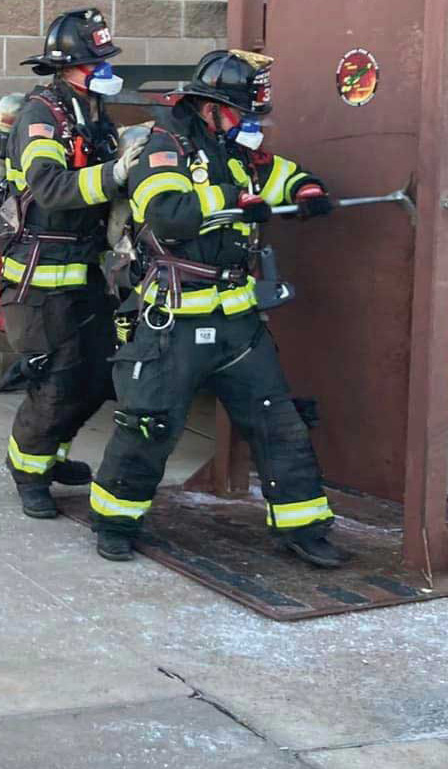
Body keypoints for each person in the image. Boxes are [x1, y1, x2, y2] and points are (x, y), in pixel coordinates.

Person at [90, 48, 346, 569]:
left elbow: (279, 176)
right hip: (172, 323)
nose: (250, 126)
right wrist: (230, 197)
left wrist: (308, 187)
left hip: (238, 324)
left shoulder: (236, 151)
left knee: (280, 423)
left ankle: (304, 527)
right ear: (210, 107)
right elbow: (168, 215)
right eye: (242, 115)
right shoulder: (163, 149)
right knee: (149, 426)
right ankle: (115, 521)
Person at [0, 7, 141, 519]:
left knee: (100, 374)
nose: (106, 69)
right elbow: (53, 190)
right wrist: (118, 172)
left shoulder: (92, 109)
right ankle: (28, 473)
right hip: (42, 272)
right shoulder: (42, 115)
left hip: (86, 269)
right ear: (73, 65)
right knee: (57, 381)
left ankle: (51, 455)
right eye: (97, 61)